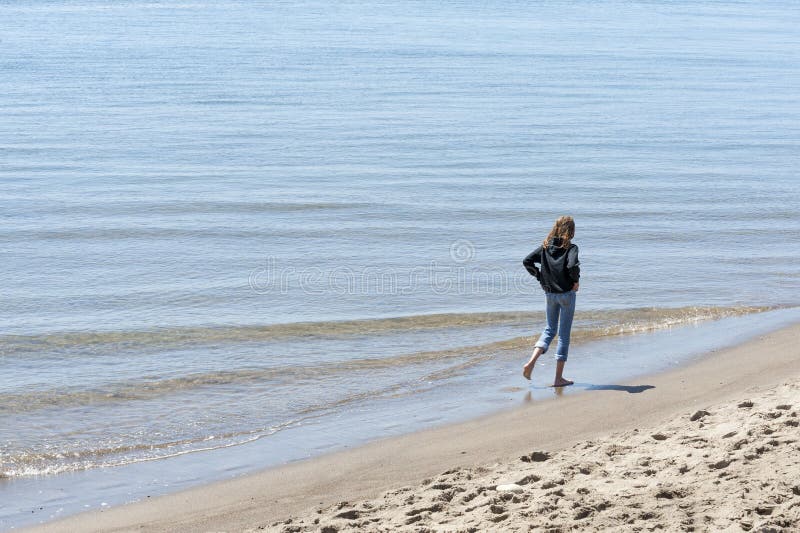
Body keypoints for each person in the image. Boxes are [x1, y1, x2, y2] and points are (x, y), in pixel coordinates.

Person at [521, 216, 580, 387]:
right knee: (563, 336)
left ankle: (531, 363)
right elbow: (572, 266)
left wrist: (540, 277)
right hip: (566, 294)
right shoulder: (571, 248)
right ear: (571, 231)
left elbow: (527, 261)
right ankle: (558, 378)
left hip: (550, 294)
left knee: (549, 329)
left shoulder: (545, 248)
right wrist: (575, 282)